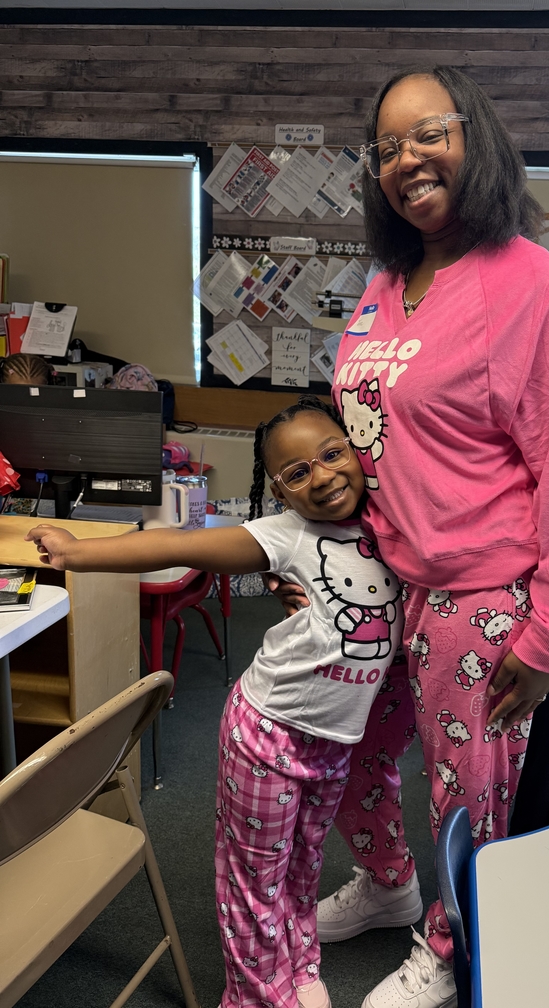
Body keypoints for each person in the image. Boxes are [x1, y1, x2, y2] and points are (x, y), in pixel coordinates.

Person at [271, 66, 549, 1008]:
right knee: (345, 755)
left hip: (482, 594)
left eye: (430, 133)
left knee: (469, 796)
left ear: (477, 139)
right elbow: (362, 451)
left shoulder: (537, 287)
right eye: (385, 148)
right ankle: (387, 886)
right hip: (381, 579)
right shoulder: (382, 284)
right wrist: (317, 562)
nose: (406, 159)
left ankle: (455, 947)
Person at [26, 396, 405, 1008]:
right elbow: (178, 546)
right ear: (280, 492)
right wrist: (76, 553)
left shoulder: (393, 526)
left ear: (359, 451)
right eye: (297, 472)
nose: (324, 475)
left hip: (337, 739)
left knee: (305, 865)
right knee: (255, 881)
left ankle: (299, 964)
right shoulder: (286, 533)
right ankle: (255, 995)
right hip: (269, 733)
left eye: (333, 454)